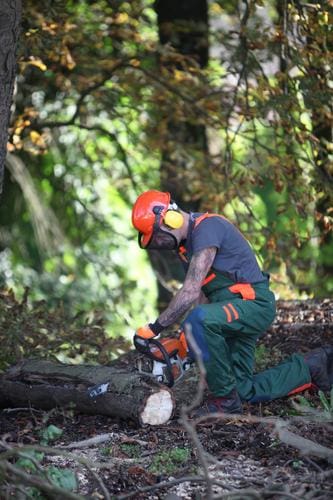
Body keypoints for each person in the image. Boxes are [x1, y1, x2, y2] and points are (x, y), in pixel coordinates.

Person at [131, 189, 333, 415]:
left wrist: (155, 328)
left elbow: (189, 291)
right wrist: (185, 337)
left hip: (253, 305)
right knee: (244, 390)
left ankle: (225, 402)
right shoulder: (186, 249)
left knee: (198, 321)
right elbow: (202, 295)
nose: (159, 242)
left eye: (157, 235)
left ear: (170, 218)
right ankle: (311, 367)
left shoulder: (207, 229)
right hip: (232, 312)